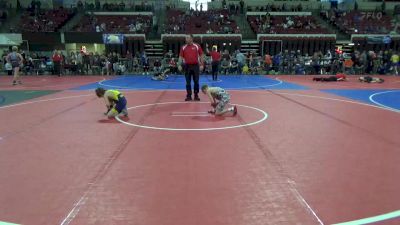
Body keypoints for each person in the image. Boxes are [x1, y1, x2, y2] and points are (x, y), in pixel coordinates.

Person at [178, 34, 204, 101]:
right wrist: (179, 65)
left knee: (196, 81)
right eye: (185, 38)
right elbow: (180, 57)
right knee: (188, 82)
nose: (186, 39)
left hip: (195, 66)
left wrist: (202, 64)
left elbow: (201, 55)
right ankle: (189, 96)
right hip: (187, 66)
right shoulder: (183, 47)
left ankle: (196, 95)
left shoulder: (197, 46)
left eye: (187, 38)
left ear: (192, 39)